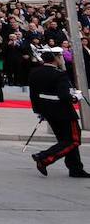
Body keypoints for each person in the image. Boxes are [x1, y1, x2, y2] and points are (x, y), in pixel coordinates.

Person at [28, 46, 89, 177]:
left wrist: (39, 110)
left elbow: (33, 95)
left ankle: (75, 168)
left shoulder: (34, 72)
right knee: (74, 140)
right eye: (60, 56)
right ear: (55, 58)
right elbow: (64, 96)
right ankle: (44, 157)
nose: (62, 59)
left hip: (48, 112)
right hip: (63, 112)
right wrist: (75, 97)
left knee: (65, 140)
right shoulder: (59, 74)